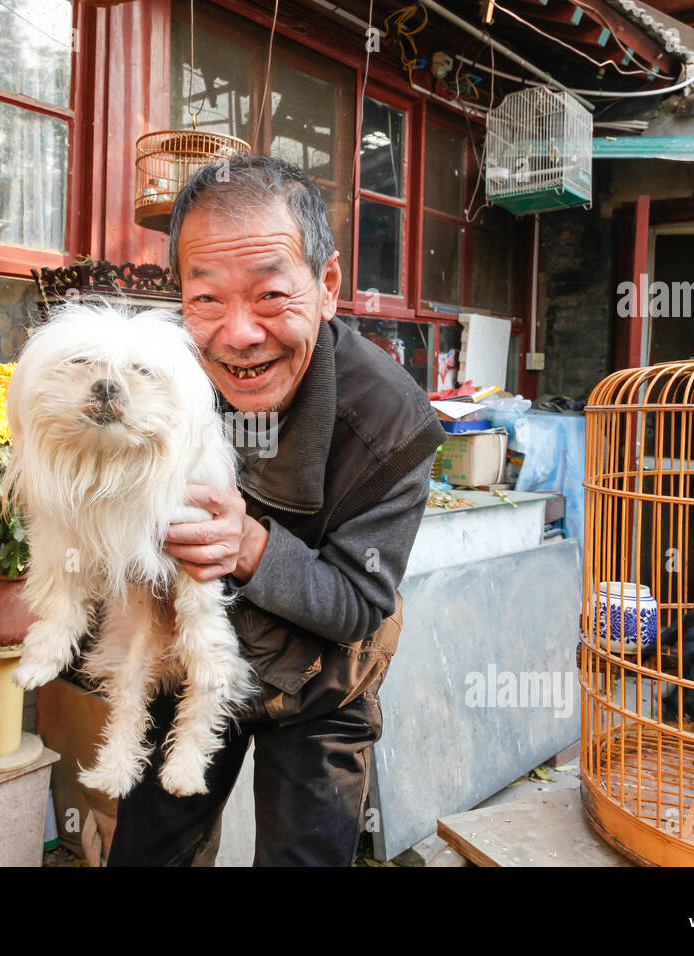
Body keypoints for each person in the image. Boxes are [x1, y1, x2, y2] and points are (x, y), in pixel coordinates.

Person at [105, 154, 445, 867]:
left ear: (326, 286)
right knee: (146, 853)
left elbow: (358, 602)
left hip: (324, 681)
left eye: (269, 296)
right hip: (198, 657)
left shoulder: (389, 423)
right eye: (206, 301)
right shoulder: (156, 378)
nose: (238, 336)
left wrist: (250, 546)